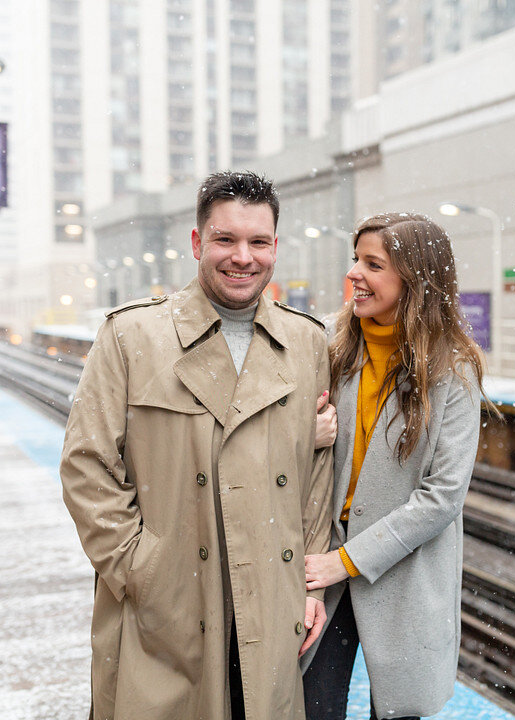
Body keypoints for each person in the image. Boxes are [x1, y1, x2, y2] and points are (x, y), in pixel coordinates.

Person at [60, 171, 335, 720]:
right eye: (225, 240)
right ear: (196, 243)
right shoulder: (132, 336)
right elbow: (86, 466)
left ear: (276, 247)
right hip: (172, 602)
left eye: (259, 242)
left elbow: (315, 476)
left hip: (270, 599)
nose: (243, 257)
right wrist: (142, 568)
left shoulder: (307, 340)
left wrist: (308, 586)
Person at [301, 213, 492, 720]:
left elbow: (443, 497)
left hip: (403, 573)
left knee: (397, 713)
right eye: (355, 261)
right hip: (324, 565)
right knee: (309, 705)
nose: (355, 275)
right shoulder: (331, 348)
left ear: (416, 277)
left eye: (373, 264)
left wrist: (343, 562)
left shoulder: (452, 371)